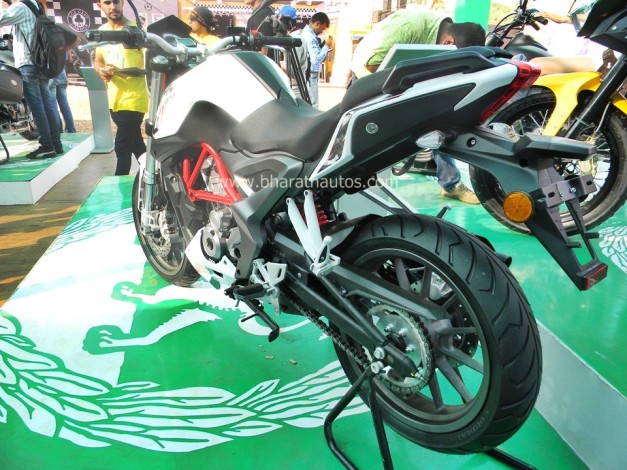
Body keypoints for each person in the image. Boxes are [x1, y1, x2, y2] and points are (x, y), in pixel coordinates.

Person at [351, 8, 485, 204]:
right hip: (369, 76)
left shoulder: (443, 33)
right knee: (370, 141)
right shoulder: (409, 25)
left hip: (409, 82)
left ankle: (451, 184)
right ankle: (357, 184)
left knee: (442, 121)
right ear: (448, 43)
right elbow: (369, 63)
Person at [0, 0, 64, 159]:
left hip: (27, 63)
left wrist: (4, 6)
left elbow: (1, 18)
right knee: (46, 105)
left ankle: (47, 146)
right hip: (40, 63)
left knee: (37, 107)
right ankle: (56, 144)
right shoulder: (37, 5)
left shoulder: (21, 6)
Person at [94, 0, 149, 176]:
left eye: (116, 1)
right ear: (100, 5)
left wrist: (128, 71)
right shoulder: (101, 32)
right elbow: (98, 61)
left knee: (122, 146)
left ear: (123, 3)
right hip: (114, 101)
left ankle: (118, 184)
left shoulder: (137, 31)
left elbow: (150, 63)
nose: (113, 6)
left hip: (134, 99)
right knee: (136, 144)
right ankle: (156, 177)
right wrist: (101, 71)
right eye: (107, 2)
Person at [277, 5, 309, 101]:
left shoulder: (295, 39)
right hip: (290, 87)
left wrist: (277, 64)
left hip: (294, 90)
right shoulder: (293, 37)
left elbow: (289, 68)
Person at [301, 12, 332, 109]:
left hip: (309, 75)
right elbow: (315, 60)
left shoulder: (308, 34)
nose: (321, 32)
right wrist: (326, 46)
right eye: (322, 29)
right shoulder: (310, 37)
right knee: (313, 105)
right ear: (317, 23)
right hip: (310, 75)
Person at [49, 65, 77, 134]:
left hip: (51, 75)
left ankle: (58, 131)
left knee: (53, 107)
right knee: (64, 105)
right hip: (62, 73)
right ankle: (71, 129)